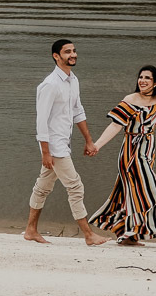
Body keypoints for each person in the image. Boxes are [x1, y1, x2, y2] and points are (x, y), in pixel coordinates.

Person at [24, 39, 110, 246]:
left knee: (43, 187)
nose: (73, 54)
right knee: (75, 187)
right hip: (54, 147)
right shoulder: (49, 85)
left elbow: (77, 111)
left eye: (74, 51)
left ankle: (30, 230)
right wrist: (45, 152)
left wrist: (89, 141)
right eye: (67, 52)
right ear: (56, 56)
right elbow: (41, 121)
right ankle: (89, 235)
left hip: (63, 143)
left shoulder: (73, 80)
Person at [88, 65, 156, 246]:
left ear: (155, 82)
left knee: (133, 196)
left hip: (148, 150)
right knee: (153, 191)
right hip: (132, 153)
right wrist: (97, 145)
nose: (142, 80)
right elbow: (115, 126)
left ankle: (129, 236)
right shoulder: (130, 100)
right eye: (141, 77)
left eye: (147, 78)